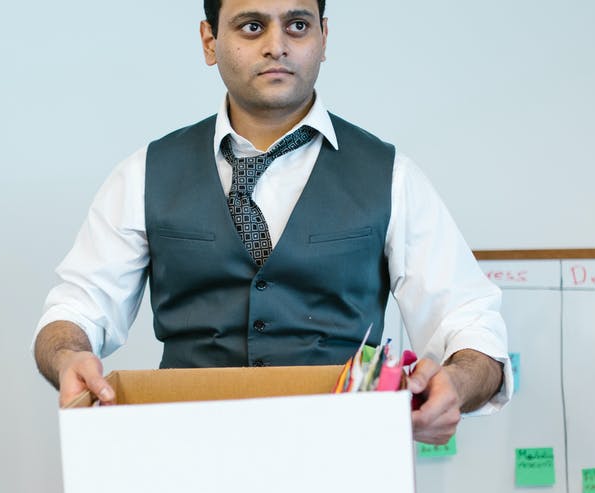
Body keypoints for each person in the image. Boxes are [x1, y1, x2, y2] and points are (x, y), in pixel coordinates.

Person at [34, 0, 511, 443]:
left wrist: (459, 381)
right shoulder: (144, 172)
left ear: (323, 38)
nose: (276, 44)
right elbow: (77, 308)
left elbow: (469, 322)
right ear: (208, 41)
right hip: (183, 456)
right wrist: (68, 355)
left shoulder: (392, 176)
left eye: (298, 25)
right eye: (252, 26)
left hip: (345, 459)